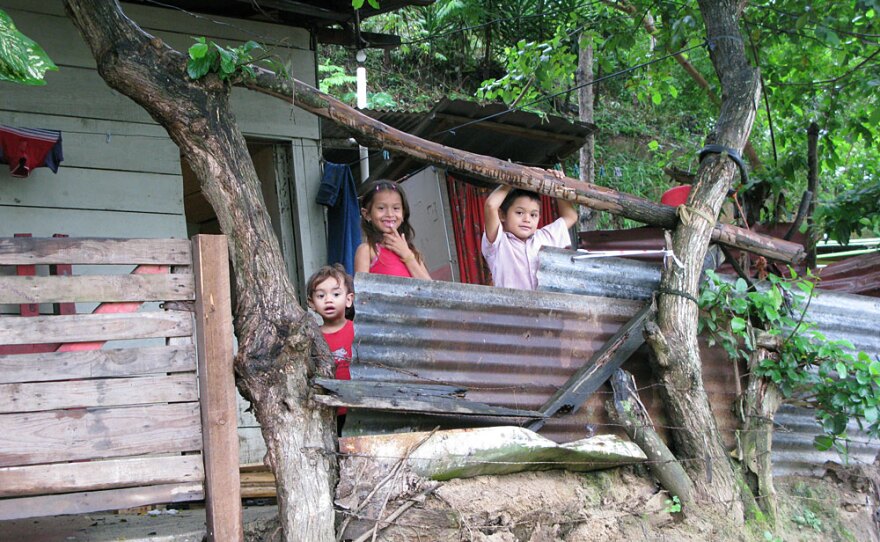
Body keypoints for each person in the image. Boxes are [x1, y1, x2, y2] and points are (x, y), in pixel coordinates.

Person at [482, 181, 578, 290]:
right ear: (502, 215)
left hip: (544, 306)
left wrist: (558, 184)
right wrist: (512, 179)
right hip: (509, 306)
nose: (527, 219)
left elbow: (571, 216)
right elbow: (490, 206)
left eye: (533, 215)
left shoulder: (544, 237)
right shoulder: (498, 243)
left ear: (539, 218)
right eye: (519, 213)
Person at [306, 264, 355, 435]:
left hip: (356, 408)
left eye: (336, 294)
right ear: (312, 303)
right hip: (326, 412)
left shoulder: (359, 331)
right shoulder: (310, 338)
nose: (328, 300)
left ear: (349, 299)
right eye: (321, 295)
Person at [354, 179, 431, 280]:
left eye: (396, 208)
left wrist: (407, 255)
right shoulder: (367, 251)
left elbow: (430, 290)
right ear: (367, 214)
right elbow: (361, 293)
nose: (390, 214)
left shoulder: (412, 252)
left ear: (403, 214)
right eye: (381, 208)